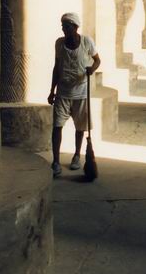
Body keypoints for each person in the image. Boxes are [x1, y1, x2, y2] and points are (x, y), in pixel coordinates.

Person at [47, 12, 101, 178]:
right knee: (57, 126)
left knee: (80, 127)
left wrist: (91, 69)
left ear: (75, 28)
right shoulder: (59, 43)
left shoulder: (86, 42)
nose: (63, 29)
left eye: (66, 26)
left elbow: (97, 60)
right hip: (63, 93)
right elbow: (57, 68)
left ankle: (77, 155)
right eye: (63, 26)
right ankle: (56, 161)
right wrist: (52, 91)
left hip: (81, 93)